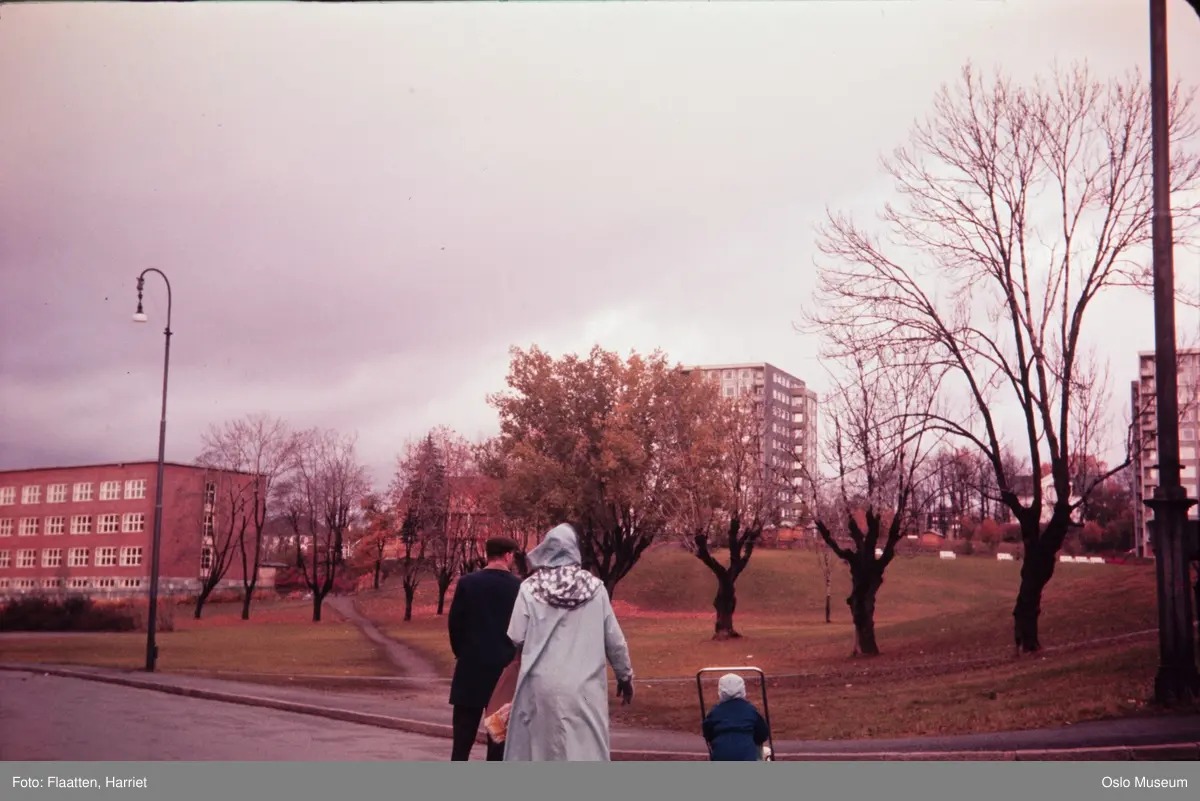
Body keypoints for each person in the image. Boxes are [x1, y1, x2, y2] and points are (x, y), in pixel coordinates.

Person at [503, 523, 634, 762]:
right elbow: (615, 642)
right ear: (574, 550)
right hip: (585, 689)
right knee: (585, 753)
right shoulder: (596, 589)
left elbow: (517, 637)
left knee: (541, 753)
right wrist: (624, 676)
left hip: (540, 687)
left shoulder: (529, 588)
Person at [447, 536, 523, 761]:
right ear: (508, 555)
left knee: (462, 741)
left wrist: (462, 653)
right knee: (498, 742)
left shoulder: (467, 583)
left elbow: (455, 624)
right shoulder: (519, 587)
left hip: (470, 668)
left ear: (487, 554)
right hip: (503, 674)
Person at [702, 673, 770, 761]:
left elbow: (707, 734)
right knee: (758, 747)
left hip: (720, 757)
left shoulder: (715, 711)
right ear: (743, 690)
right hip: (747, 759)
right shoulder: (750, 710)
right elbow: (763, 734)